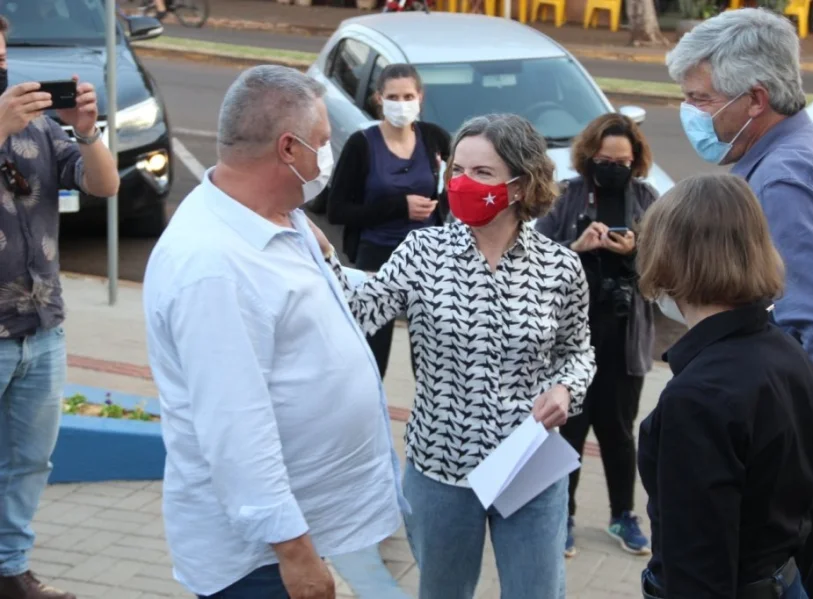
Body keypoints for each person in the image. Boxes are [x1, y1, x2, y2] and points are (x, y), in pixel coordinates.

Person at [142, 65, 407, 599]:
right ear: (289, 148)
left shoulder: (278, 217)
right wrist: (295, 554)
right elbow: (235, 428)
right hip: (262, 562)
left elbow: (322, 301)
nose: (327, 156)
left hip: (312, 528)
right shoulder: (212, 265)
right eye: (323, 143)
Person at [310, 113, 596, 599]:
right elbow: (362, 311)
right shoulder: (423, 250)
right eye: (457, 170)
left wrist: (567, 388)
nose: (463, 183)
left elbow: (578, 350)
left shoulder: (560, 267)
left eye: (482, 172)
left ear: (520, 185)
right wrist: (324, 260)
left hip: (527, 462)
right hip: (440, 464)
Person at [667, 9, 813, 598]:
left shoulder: (782, 177)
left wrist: (801, 423)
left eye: (699, 98)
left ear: (755, 99)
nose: (688, 111)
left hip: (807, 454)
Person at [636, 173, 813, 599]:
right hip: (783, 580)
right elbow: (808, 508)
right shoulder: (788, 352)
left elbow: (697, 566)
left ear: (669, 257)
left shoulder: (697, 396)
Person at [0, 14, 119, 599]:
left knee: (29, 461)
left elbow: (104, 185)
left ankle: (10, 569)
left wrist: (88, 134)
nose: (1, 68)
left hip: (41, 327)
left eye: (2, 57)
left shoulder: (39, 128)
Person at [536, 113, 655, 558]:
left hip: (624, 337)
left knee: (619, 432)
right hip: (573, 337)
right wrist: (576, 248)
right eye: (605, 160)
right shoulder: (566, 197)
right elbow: (535, 260)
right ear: (589, 157)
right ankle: (561, 515)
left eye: (622, 162)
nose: (613, 169)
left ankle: (623, 514)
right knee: (569, 429)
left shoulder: (646, 200)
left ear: (635, 161)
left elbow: (666, 272)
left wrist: (636, 252)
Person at [326, 63, 450, 378]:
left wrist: (440, 203)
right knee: (372, 358)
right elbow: (337, 209)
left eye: (408, 96)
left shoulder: (434, 138)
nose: (401, 103)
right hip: (377, 259)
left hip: (427, 259)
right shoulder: (361, 144)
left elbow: (455, 187)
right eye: (393, 97)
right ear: (379, 98)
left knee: (429, 361)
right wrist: (398, 207)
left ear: (420, 97)